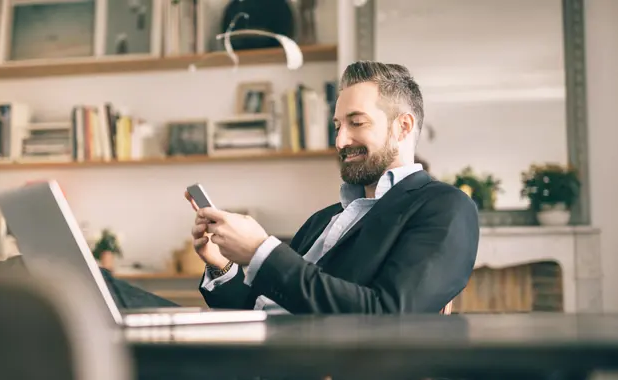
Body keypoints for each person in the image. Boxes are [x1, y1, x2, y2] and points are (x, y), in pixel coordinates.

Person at [187, 61, 480, 314]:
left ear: (403, 127)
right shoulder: (321, 220)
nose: (340, 141)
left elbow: (389, 315)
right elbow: (261, 309)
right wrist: (222, 266)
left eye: (357, 123)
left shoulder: (444, 207)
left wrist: (262, 252)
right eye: (338, 126)